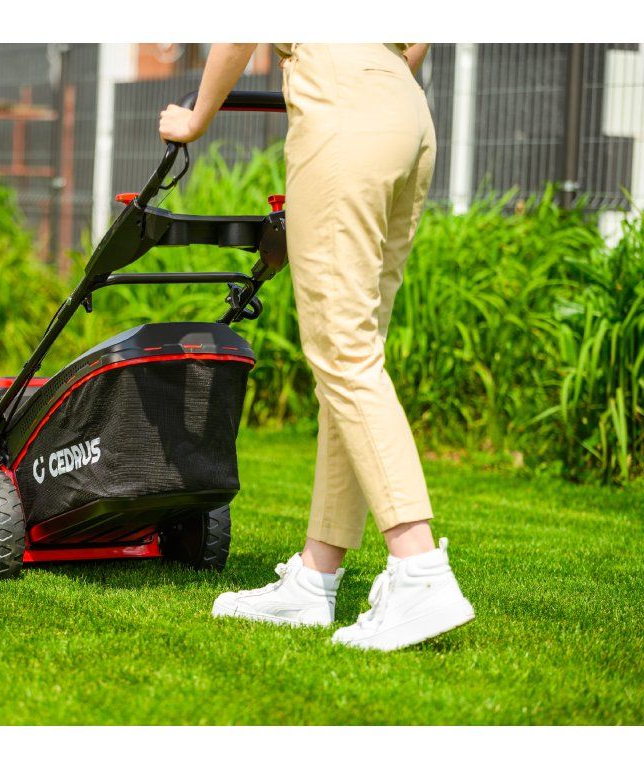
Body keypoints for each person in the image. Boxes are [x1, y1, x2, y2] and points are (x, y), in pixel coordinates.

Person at [158, 43, 474, 651]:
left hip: (342, 103)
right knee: (353, 352)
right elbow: (416, 40)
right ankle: (315, 576)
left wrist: (195, 119)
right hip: (404, 107)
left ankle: (419, 571)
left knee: (344, 353)